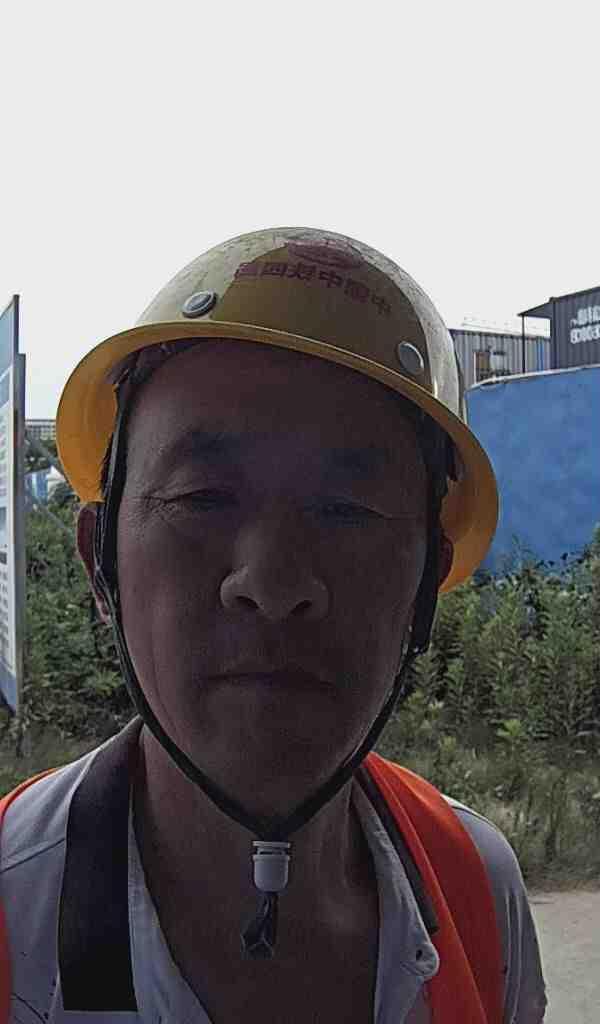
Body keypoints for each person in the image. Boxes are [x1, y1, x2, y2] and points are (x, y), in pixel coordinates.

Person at [0, 228, 547, 1023]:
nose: (274, 583)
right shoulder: (12, 906)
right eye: (202, 499)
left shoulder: (475, 889)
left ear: (426, 584)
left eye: (348, 510)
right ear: (100, 562)